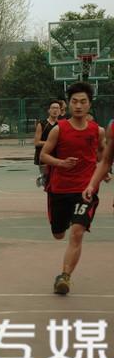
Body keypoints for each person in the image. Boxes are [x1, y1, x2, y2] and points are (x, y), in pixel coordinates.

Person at [40, 82, 104, 295]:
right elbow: (43, 156)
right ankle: (67, 220)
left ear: (89, 104)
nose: (78, 106)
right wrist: (60, 163)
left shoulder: (98, 131)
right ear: (68, 104)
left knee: (77, 233)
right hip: (59, 189)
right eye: (74, 101)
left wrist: (104, 172)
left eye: (83, 102)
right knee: (59, 234)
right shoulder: (59, 129)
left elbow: (102, 155)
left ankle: (64, 277)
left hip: (86, 190)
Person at [33, 100, 61, 188]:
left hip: (57, 156)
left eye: (57, 108)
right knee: (47, 181)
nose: (55, 110)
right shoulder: (42, 124)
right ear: (49, 110)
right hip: (43, 156)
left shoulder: (61, 125)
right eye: (53, 108)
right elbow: (37, 142)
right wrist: (51, 143)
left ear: (60, 111)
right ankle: (42, 178)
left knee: (56, 180)